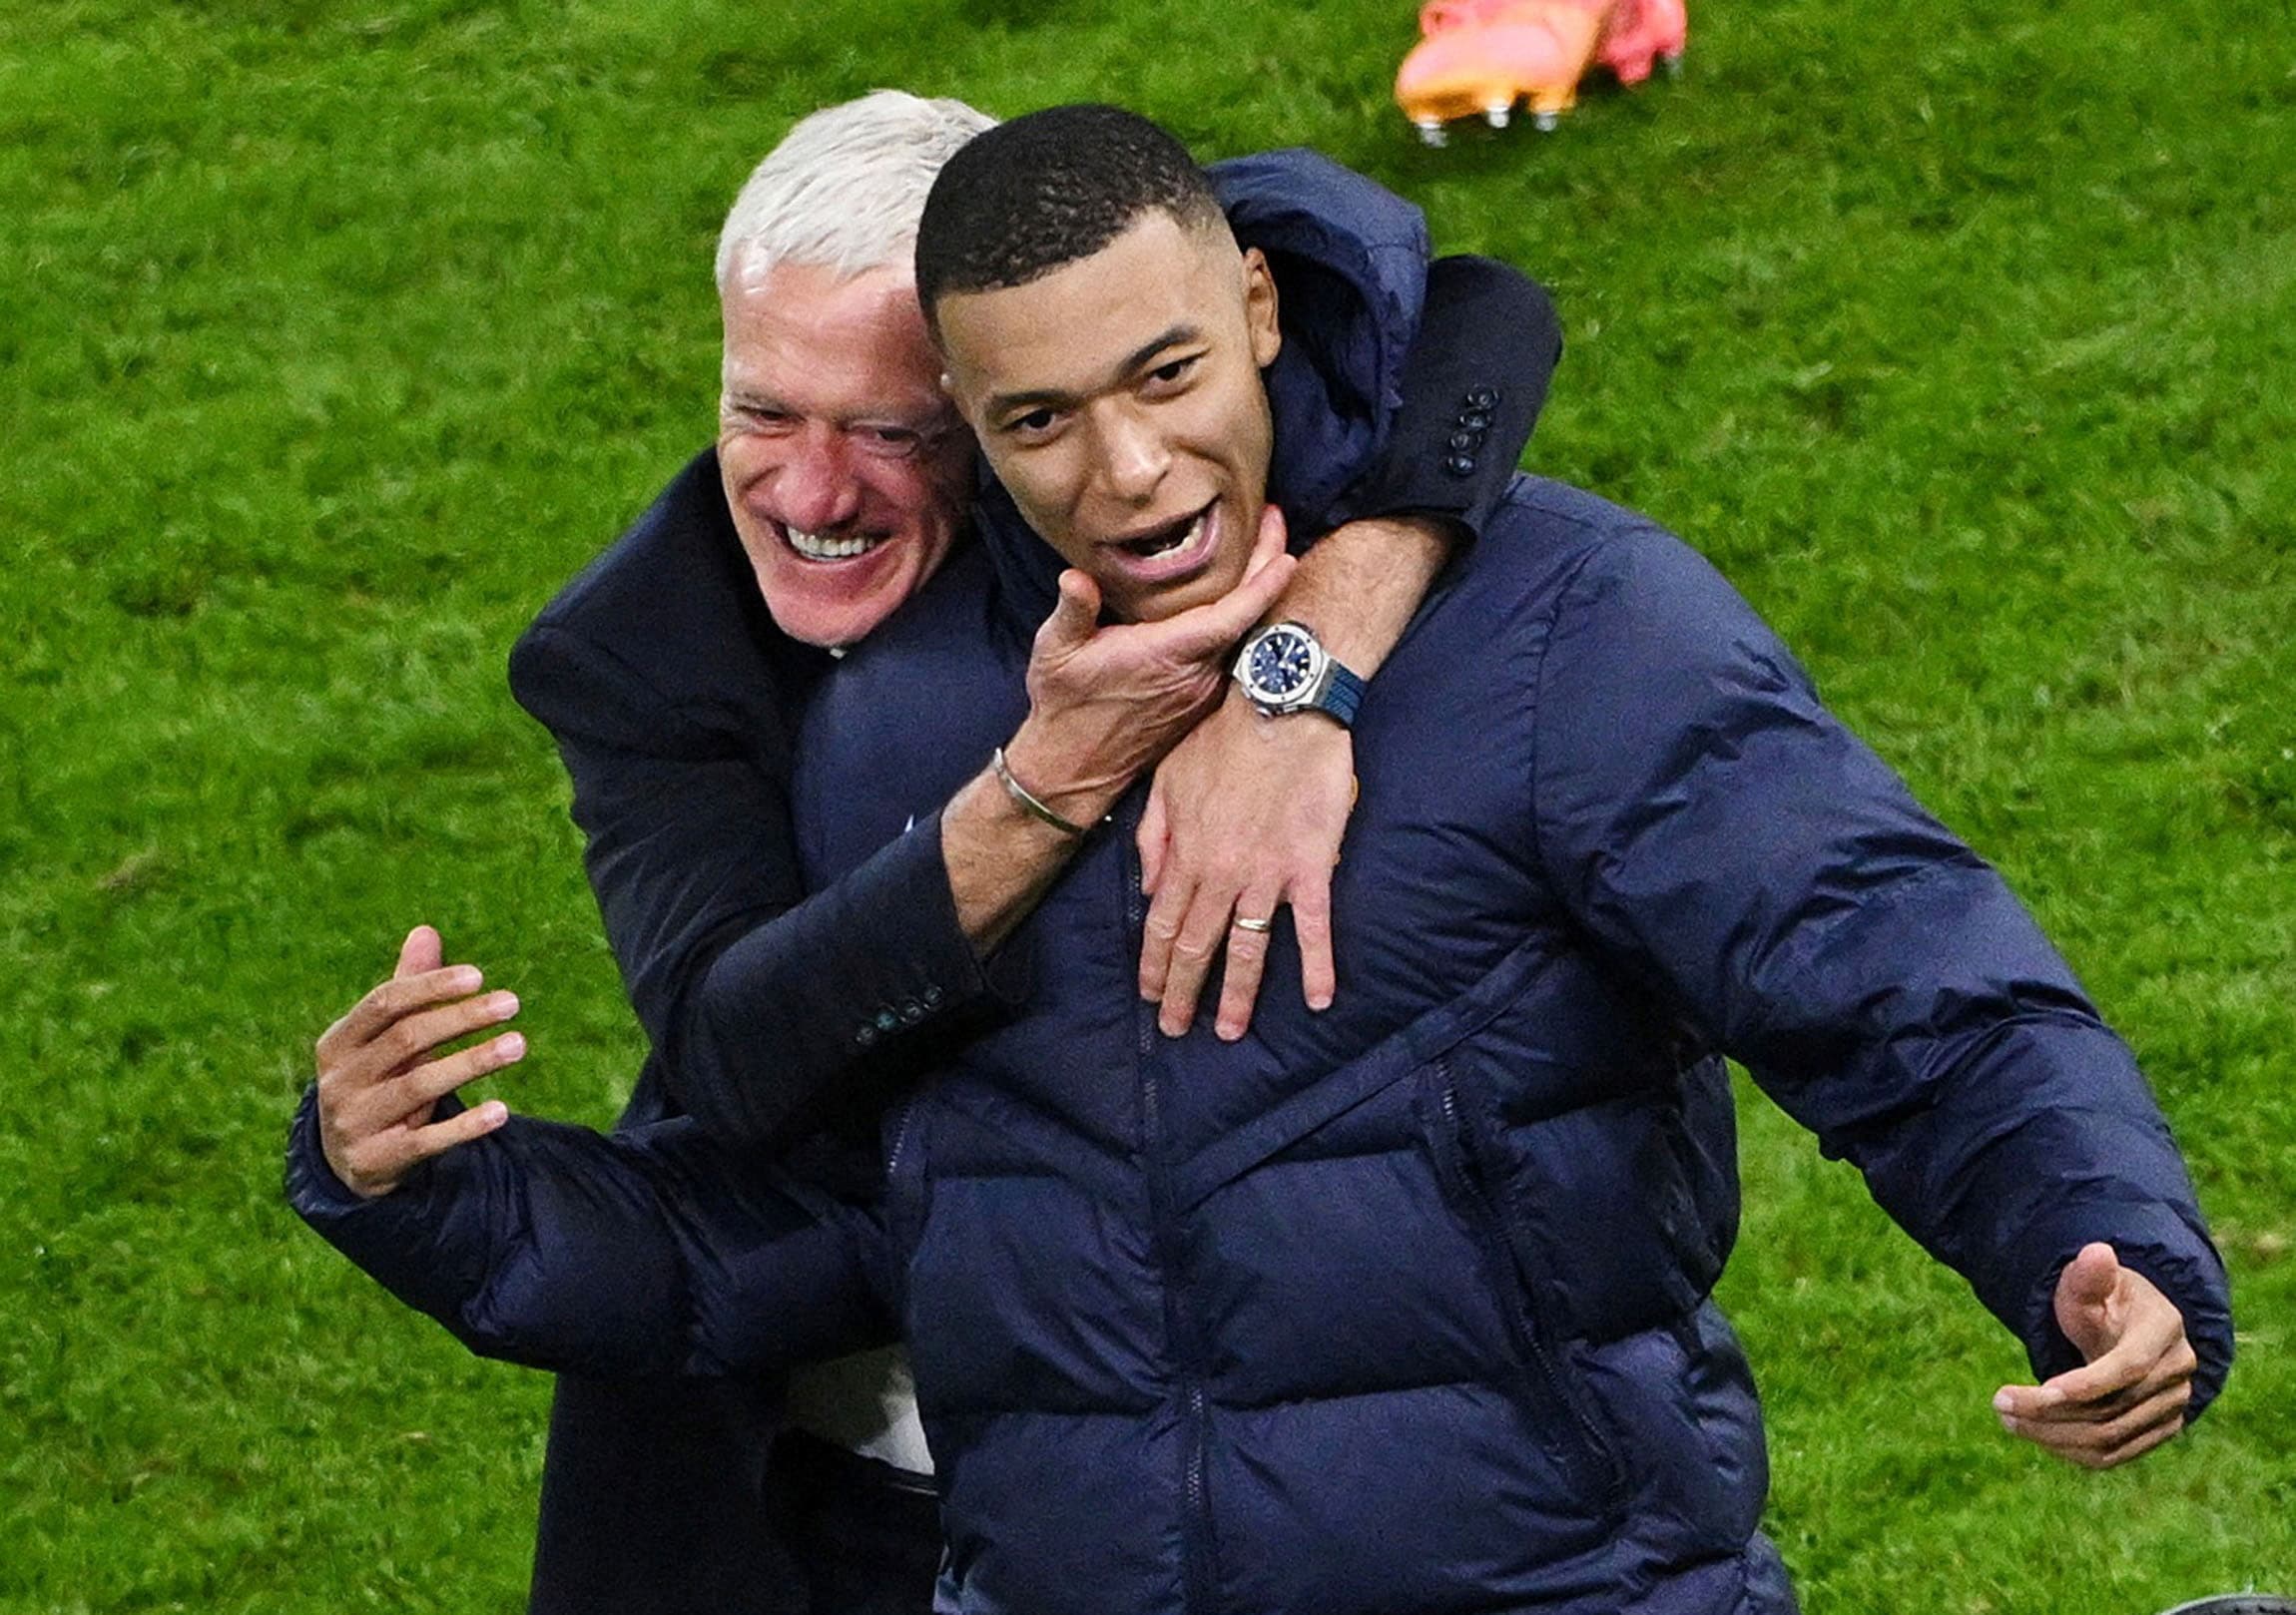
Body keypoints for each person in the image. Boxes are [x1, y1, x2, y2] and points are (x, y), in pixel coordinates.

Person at [294, 104, 2233, 1613]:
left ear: (1259, 309)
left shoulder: (1567, 628)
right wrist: (436, 1194)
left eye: (1164, 378)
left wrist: (2095, 1237)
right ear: (973, 420)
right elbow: (840, 1209)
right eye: (1041, 417)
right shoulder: (896, 730)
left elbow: (1888, 964)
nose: (1127, 470)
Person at [304, 92, 1561, 1615]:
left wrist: (1317, 649)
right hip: (831, 1449)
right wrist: (1046, 785)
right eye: (763, 411)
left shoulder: (1135, 419)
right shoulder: (644, 651)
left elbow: (1477, 317)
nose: (811, 493)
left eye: (890, 432)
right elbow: (737, 1055)